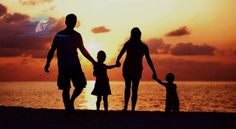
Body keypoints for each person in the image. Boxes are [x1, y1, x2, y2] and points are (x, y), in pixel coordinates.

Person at [44, 14, 96, 114]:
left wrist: (93, 62)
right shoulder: (59, 35)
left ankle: (71, 102)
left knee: (80, 85)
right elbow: (52, 50)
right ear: (66, 22)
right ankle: (68, 108)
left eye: (74, 21)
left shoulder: (77, 35)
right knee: (65, 88)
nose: (73, 23)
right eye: (71, 21)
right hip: (63, 66)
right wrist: (47, 63)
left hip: (75, 65)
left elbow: (83, 50)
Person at [116, 27, 157, 111]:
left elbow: (149, 59)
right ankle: (127, 107)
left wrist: (153, 71)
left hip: (136, 69)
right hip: (128, 68)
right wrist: (117, 61)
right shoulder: (130, 44)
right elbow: (120, 54)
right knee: (130, 88)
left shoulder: (142, 46)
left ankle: (131, 108)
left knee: (132, 88)